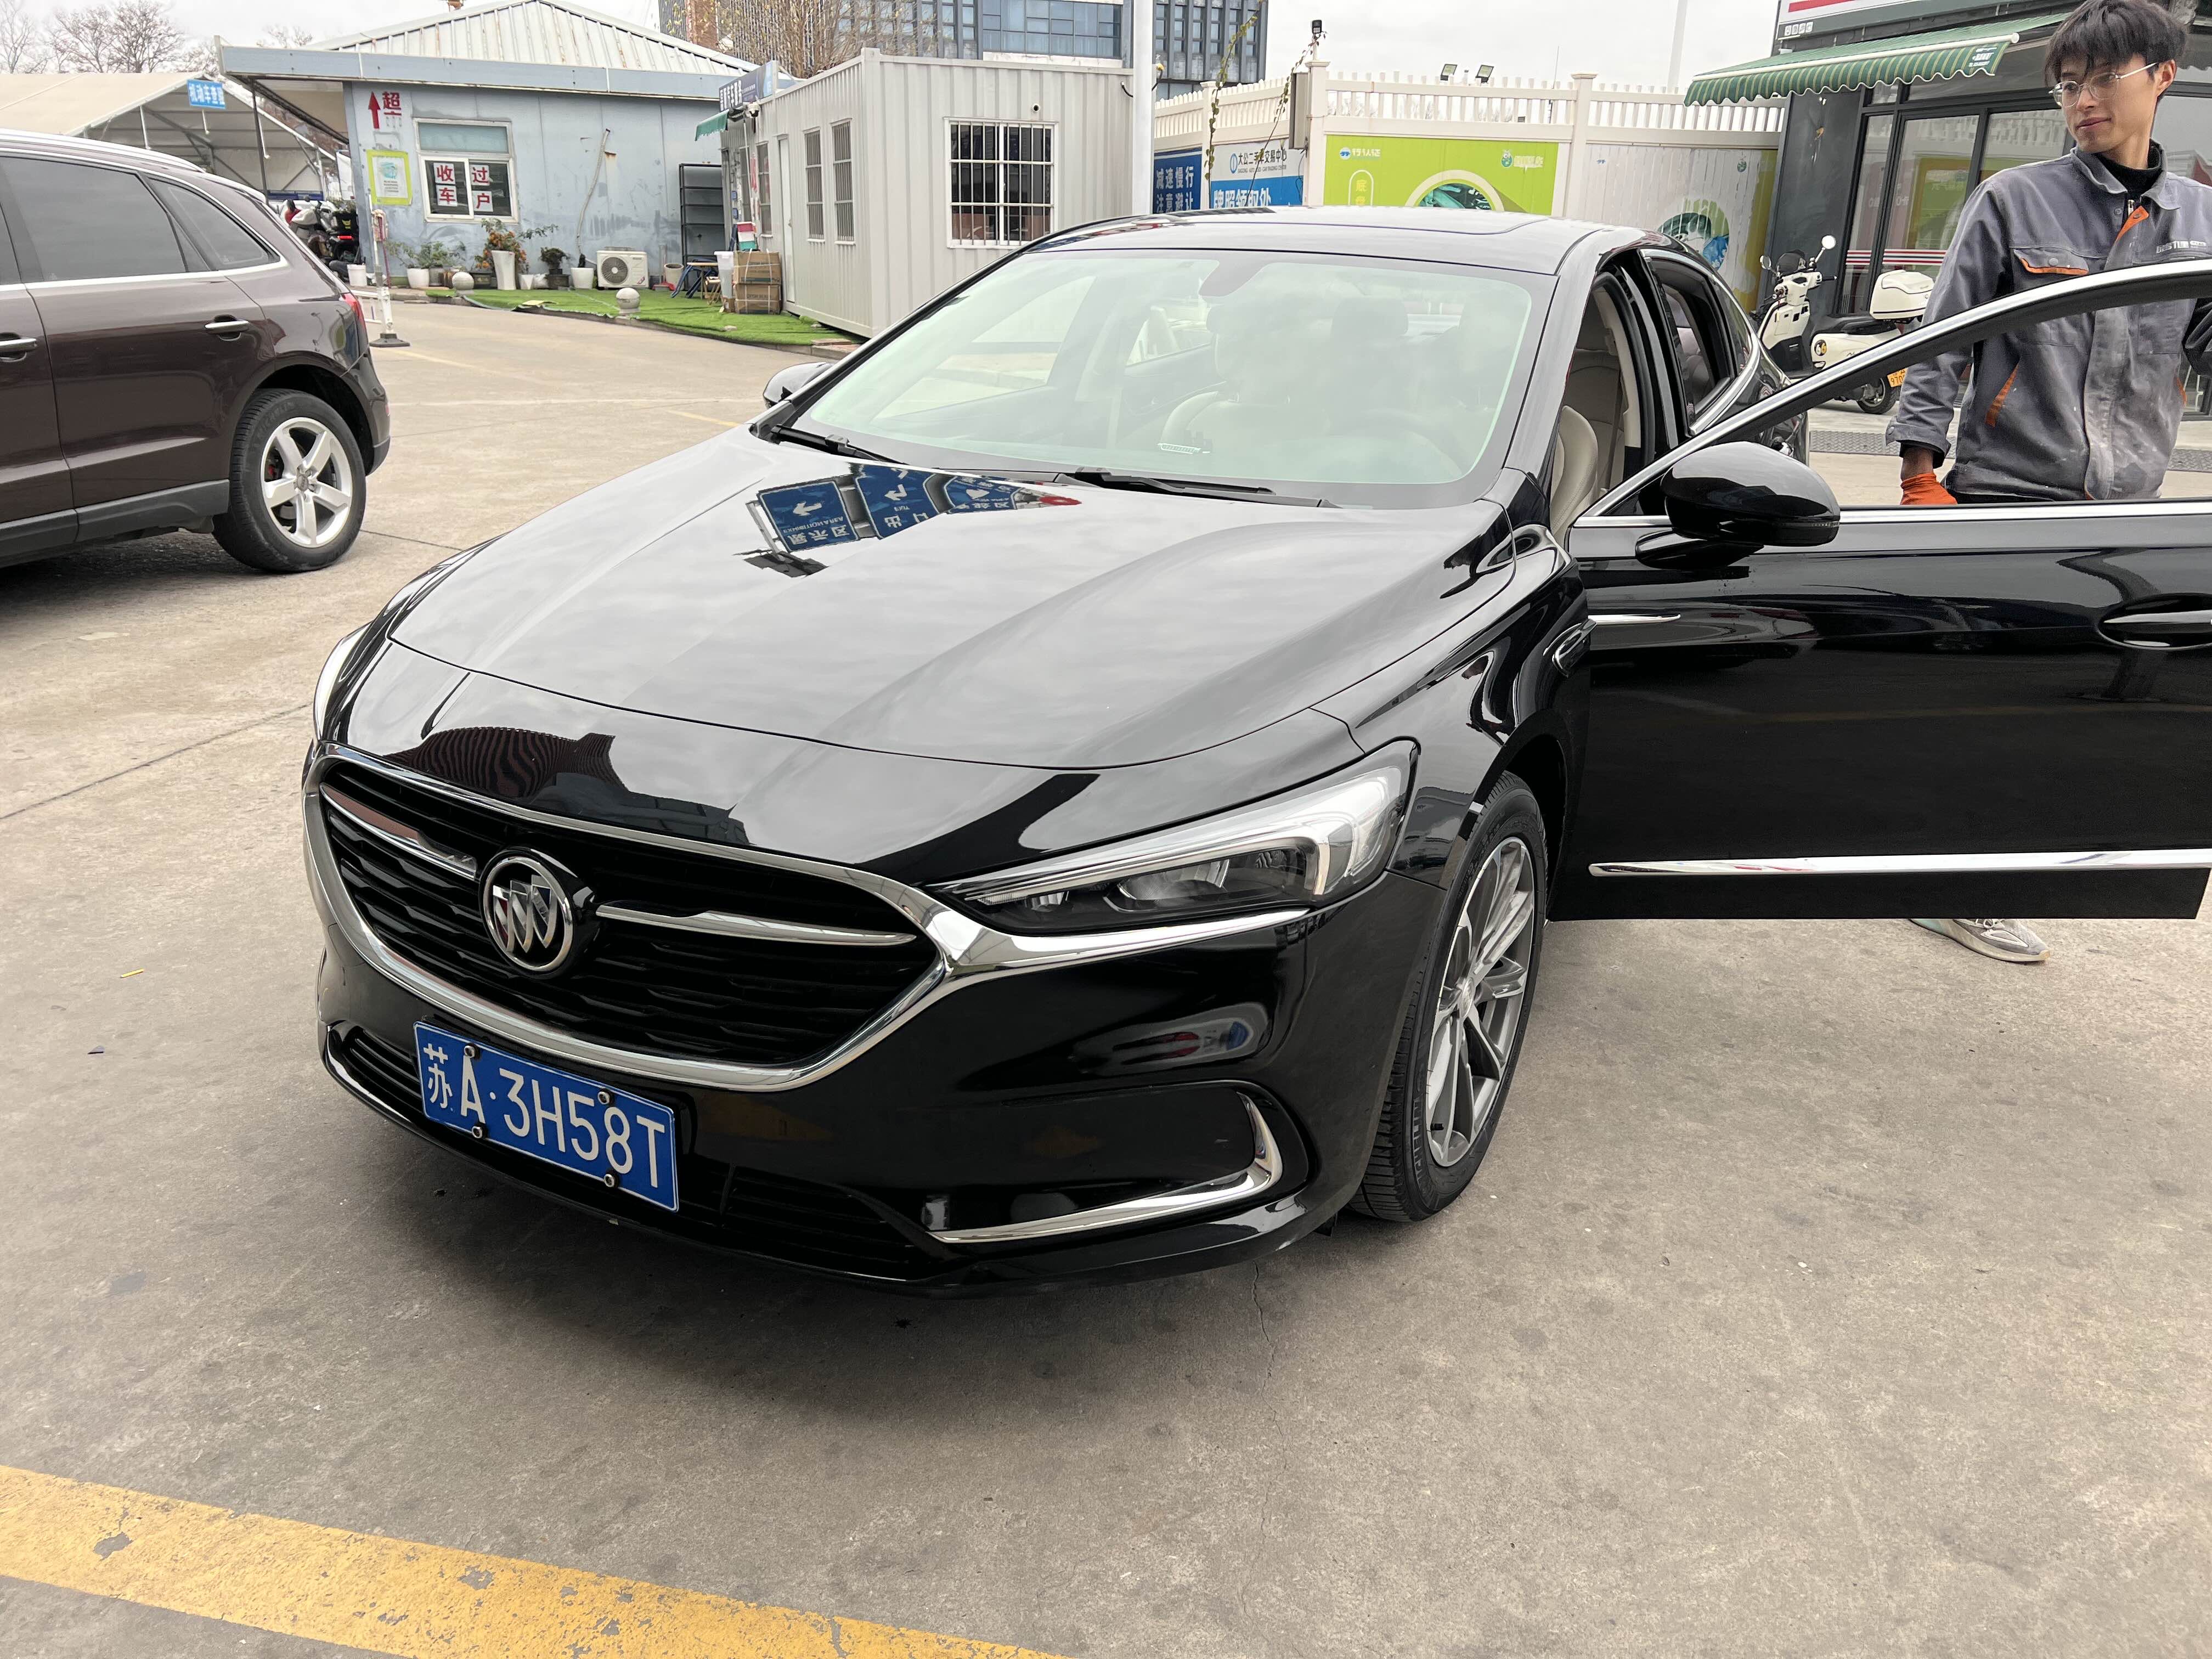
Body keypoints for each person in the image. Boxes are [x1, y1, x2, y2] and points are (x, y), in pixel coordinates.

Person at [1884, 0, 2212, 964]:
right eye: (2068, 87)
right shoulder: (2014, 201)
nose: (2081, 102)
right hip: (2009, 499)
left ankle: (2015, 860)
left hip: (2126, 512)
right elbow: (1943, 340)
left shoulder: (2200, 221)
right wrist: (1920, 475)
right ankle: (1954, 886)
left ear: (2161, 76)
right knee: (1999, 706)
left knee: (2094, 704)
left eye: (2101, 80)